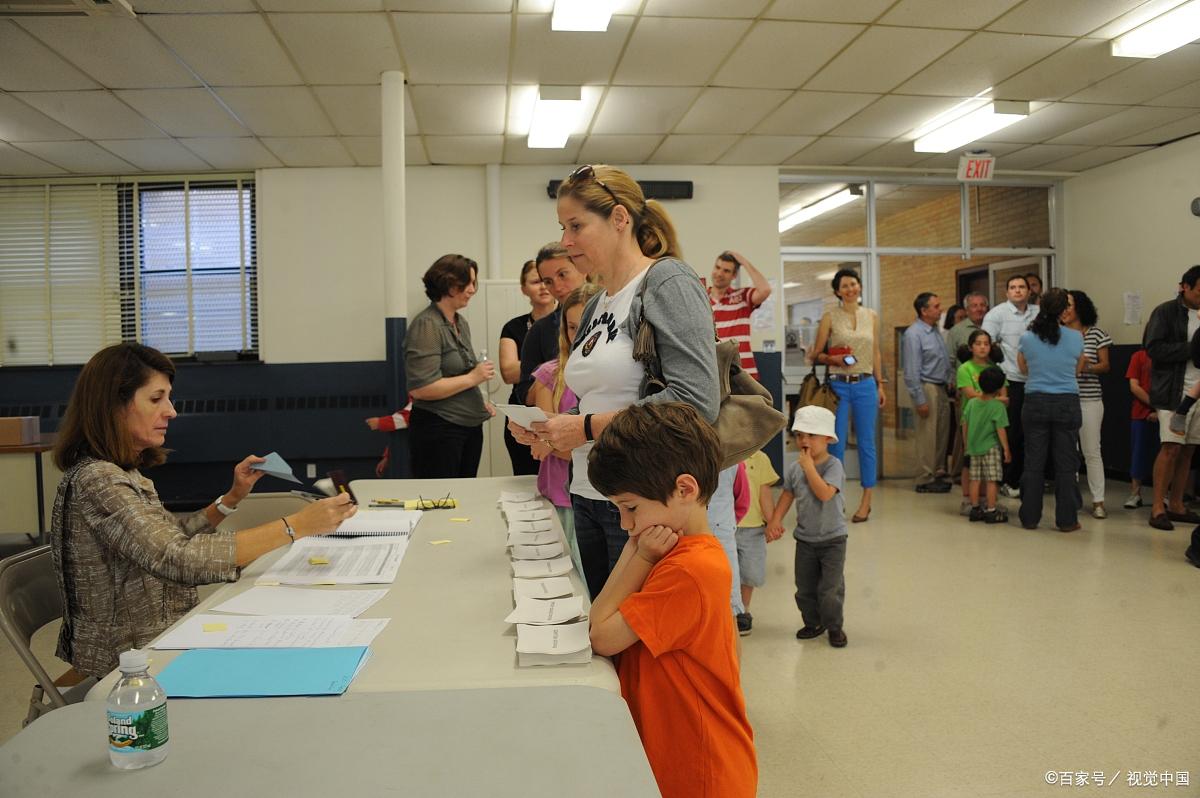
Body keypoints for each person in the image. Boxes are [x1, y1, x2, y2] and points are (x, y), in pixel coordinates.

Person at [49, 343, 357, 678]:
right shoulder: (99, 479)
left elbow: (169, 539)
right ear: (113, 405)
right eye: (156, 398)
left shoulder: (122, 473)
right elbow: (176, 558)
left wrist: (231, 498)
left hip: (158, 635)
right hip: (132, 658)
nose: (171, 411)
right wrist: (296, 525)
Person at [508, 164, 723, 605]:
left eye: (576, 226)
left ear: (620, 219)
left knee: (630, 641)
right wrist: (552, 427)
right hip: (589, 489)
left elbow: (695, 400)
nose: (566, 242)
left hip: (643, 500)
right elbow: (595, 400)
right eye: (562, 228)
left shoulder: (667, 281)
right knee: (602, 636)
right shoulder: (597, 303)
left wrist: (583, 428)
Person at [586, 402, 757, 798]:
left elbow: (601, 637)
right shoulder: (676, 551)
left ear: (685, 489)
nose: (626, 523)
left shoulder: (689, 569)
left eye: (630, 508)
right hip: (680, 761)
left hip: (701, 772)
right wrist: (639, 549)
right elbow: (597, 620)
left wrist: (639, 554)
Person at [529, 283, 602, 582]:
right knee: (568, 576)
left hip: (601, 494)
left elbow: (557, 441)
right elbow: (541, 440)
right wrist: (551, 439)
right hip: (559, 495)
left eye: (586, 326)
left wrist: (557, 442)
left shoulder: (613, 378)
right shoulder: (550, 374)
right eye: (573, 327)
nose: (579, 336)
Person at [404, 254, 495, 479]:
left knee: (463, 498)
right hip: (440, 429)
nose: (473, 289)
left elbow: (458, 374)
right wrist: (474, 378)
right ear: (449, 284)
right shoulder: (427, 325)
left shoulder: (459, 322)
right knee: (442, 499)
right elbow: (421, 388)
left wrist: (476, 402)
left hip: (467, 427)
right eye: (468, 283)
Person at [766, 405, 848, 647]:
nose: (804, 440)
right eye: (800, 435)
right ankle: (813, 622)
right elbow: (787, 496)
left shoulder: (834, 466)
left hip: (833, 540)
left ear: (827, 439)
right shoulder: (795, 469)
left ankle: (834, 626)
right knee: (804, 588)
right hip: (805, 540)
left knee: (829, 589)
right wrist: (775, 519)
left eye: (811, 435)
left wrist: (810, 468)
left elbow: (824, 494)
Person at [810, 268, 884, 521]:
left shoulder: (871, 316)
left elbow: (875, 353)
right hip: (838, 385)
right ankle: (836, 497)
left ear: (860, 286)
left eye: (853, 284)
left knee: (867, 444)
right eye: (845, 286)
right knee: (836, 444)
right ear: (837, 292)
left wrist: (880, 384)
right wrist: (833, 358)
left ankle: (867, 500)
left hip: (865, 384)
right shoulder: (830, 316)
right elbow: (816, 354)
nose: (850, 289)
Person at [1016, 288, 1085, 532]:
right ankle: (1067, 520)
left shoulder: (1027, 337)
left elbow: (1023, 368)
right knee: (1066, 464)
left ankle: (1030, 518)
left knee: (1034, 462)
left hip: (1035, 401)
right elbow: (1078, 370)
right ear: (1064, 309)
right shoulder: (1076, 337)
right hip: (1067, 401)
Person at [1143, 265, 1200, 531]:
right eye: (1199, 291)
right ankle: (1157, 507)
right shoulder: (1165, 311)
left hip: (1198, 391)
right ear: (1184, 287)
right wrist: (1193, 349)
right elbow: (1153, 348)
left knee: (1189, 449)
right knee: (1171, 447)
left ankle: (1176, 503)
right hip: (1172, 391)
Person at [983, 274, 1038, 498]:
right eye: (1012, 287)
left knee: (1032, 433)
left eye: (1021, 287)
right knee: (1012, 433)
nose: (1017, 291)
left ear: (1029, 291)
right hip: (1010, 381)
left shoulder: (1038, 313)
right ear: (1006, 293)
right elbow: (985, 344)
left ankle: (1029, 479)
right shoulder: (997, 314)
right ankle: (1009, 480)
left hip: (1035, 381)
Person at [499, 259, 556, 475]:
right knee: (526, 478)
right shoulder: (513, 327)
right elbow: (509, 372)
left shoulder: (569, 321)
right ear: (523, 288)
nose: (542, 286)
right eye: (535, 281)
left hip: (561, 412)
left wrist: (530, 365)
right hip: (524, 414)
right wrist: (554, 365)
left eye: (546, 281)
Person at [518, 242, 588, 407]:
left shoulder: (614, 314)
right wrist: (550, 376)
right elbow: (525, 395)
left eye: (563, 275)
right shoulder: (540, 330)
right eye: (548, 281)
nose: (557, 287)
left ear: (583, 269)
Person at [1063, 290, 1112, 518]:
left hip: (1090, 399)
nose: (1065, 309)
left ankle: (1098, 501)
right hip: (1064, 398)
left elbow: (1105, 365)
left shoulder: (1095, 334)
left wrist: (1085, 368)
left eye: (1069, 305)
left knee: (1092, 451)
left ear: (1080, 307)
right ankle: (1071, 499)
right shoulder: (1057, 334)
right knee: (1068, 452)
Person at [902, 292, 953, 492]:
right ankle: (924, 477)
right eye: (936, 306)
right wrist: (920, 399)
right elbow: (912, 371)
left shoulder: (934, 331)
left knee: (941, 434)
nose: (940, 309)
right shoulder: (914, 334)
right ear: (924, 311)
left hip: (940, 388)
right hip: (926, 388)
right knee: (927, 435)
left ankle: (937, 471)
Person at [955, 329, 1007, 514]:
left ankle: (987, 498)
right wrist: (993, 398)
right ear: (971, 347)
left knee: (990, 461)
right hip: (972, 422)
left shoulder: (996, 369)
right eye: (978, 343)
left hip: (992, 422)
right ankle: (968, 499)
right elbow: (970, 394)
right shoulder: (965, 368)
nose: (982, 347)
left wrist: (992, 398)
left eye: (986, 343)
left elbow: (1004, 396)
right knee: (970, 460)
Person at [945, 292, 989, 494]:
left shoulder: (992, 325)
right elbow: (950, 361)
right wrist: (954, 385)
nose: (979, 308)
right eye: (974, 305)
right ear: (967, 309)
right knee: (965, 435)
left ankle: (981, 475)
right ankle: (960, 474)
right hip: (966, 389)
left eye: (982, 305)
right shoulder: (957, 331)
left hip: (989, 392)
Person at [704, 250, 772, 379]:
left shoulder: (742, 296)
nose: (719, 273)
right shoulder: (701, 298)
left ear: (734, 275)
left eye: (726, 271)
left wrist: (743, 261)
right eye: (717, 267)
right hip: (716, 375)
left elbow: (765, 290)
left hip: (745, 375)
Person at [733, 448, 779, 637]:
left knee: (750, 572)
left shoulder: (760, 458)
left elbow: (764, 493)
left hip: (753, 529)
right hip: (726, 526)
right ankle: (729, 611)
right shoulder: (724, 455)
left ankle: (744, 609)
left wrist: (772, 521)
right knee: (728, 572)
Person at [963, 366, 1011, 524]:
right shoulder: (998, 406)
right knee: (992, 480)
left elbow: (965, 424)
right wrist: (1006, 449)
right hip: (991, 447)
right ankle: (991, 510)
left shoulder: (971, 403)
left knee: (974, 479)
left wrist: (966, 444)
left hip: (973, 447)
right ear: (998, 388)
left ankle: (975, 508)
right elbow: (1000, 429)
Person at [1124, 348, 1158, 510]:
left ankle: (1163, 495)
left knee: (1165, 454)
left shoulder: (1171, 355)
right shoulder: (1138, 356)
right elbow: (1134, 385)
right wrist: (1153, 405)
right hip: (1140, 411)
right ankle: (1135, 493)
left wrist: (1160, 411)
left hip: (1166, 412)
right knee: (1138, 452)